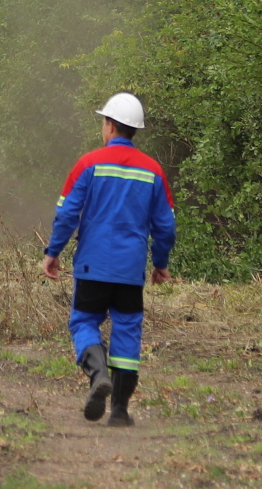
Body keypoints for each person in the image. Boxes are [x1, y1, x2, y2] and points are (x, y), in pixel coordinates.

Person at [42, 92, 176, 427]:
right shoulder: (153, 170)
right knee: (127, 331)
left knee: (84, 322)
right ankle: (119, 410)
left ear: (111, 125)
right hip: (131, 271)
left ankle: (97, 372)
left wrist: (53, 251)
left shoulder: (89, 163)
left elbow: (67, 212)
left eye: (103, 122)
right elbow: (165, 225)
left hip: (92, 265)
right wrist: (160, 262)